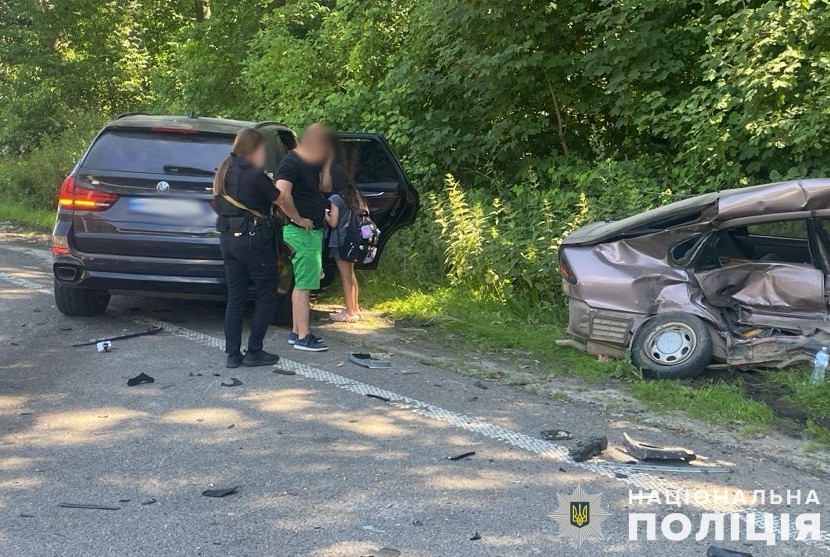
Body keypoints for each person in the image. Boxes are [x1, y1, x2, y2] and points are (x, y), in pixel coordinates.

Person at [213, 128, 282, 368]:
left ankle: (233, 354)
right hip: (252, 238)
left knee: (236, 295)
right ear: (253, 150)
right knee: (266, 291)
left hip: (227, 238)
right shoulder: (253, 174)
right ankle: (254, 350)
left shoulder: (223, 169)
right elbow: (278, 198)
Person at [275, 123, 331, 352]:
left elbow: (325, 188)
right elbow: (280, 194)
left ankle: (297, 331)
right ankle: (303, 337)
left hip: (312, 231)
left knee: (304, 282)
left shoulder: (312, 162)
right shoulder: (291, 161)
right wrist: (298, 219)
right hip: (300, 232)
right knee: (304, 284)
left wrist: (326, 165)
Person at [325, 173, 366, 322]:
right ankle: (355, 308)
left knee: (345, 276)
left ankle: (349, 312)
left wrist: (325, 215)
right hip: (354, 240)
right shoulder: (356, 197)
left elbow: (333, 223)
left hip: (340, 241)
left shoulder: (336, 199)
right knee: (351, 274)